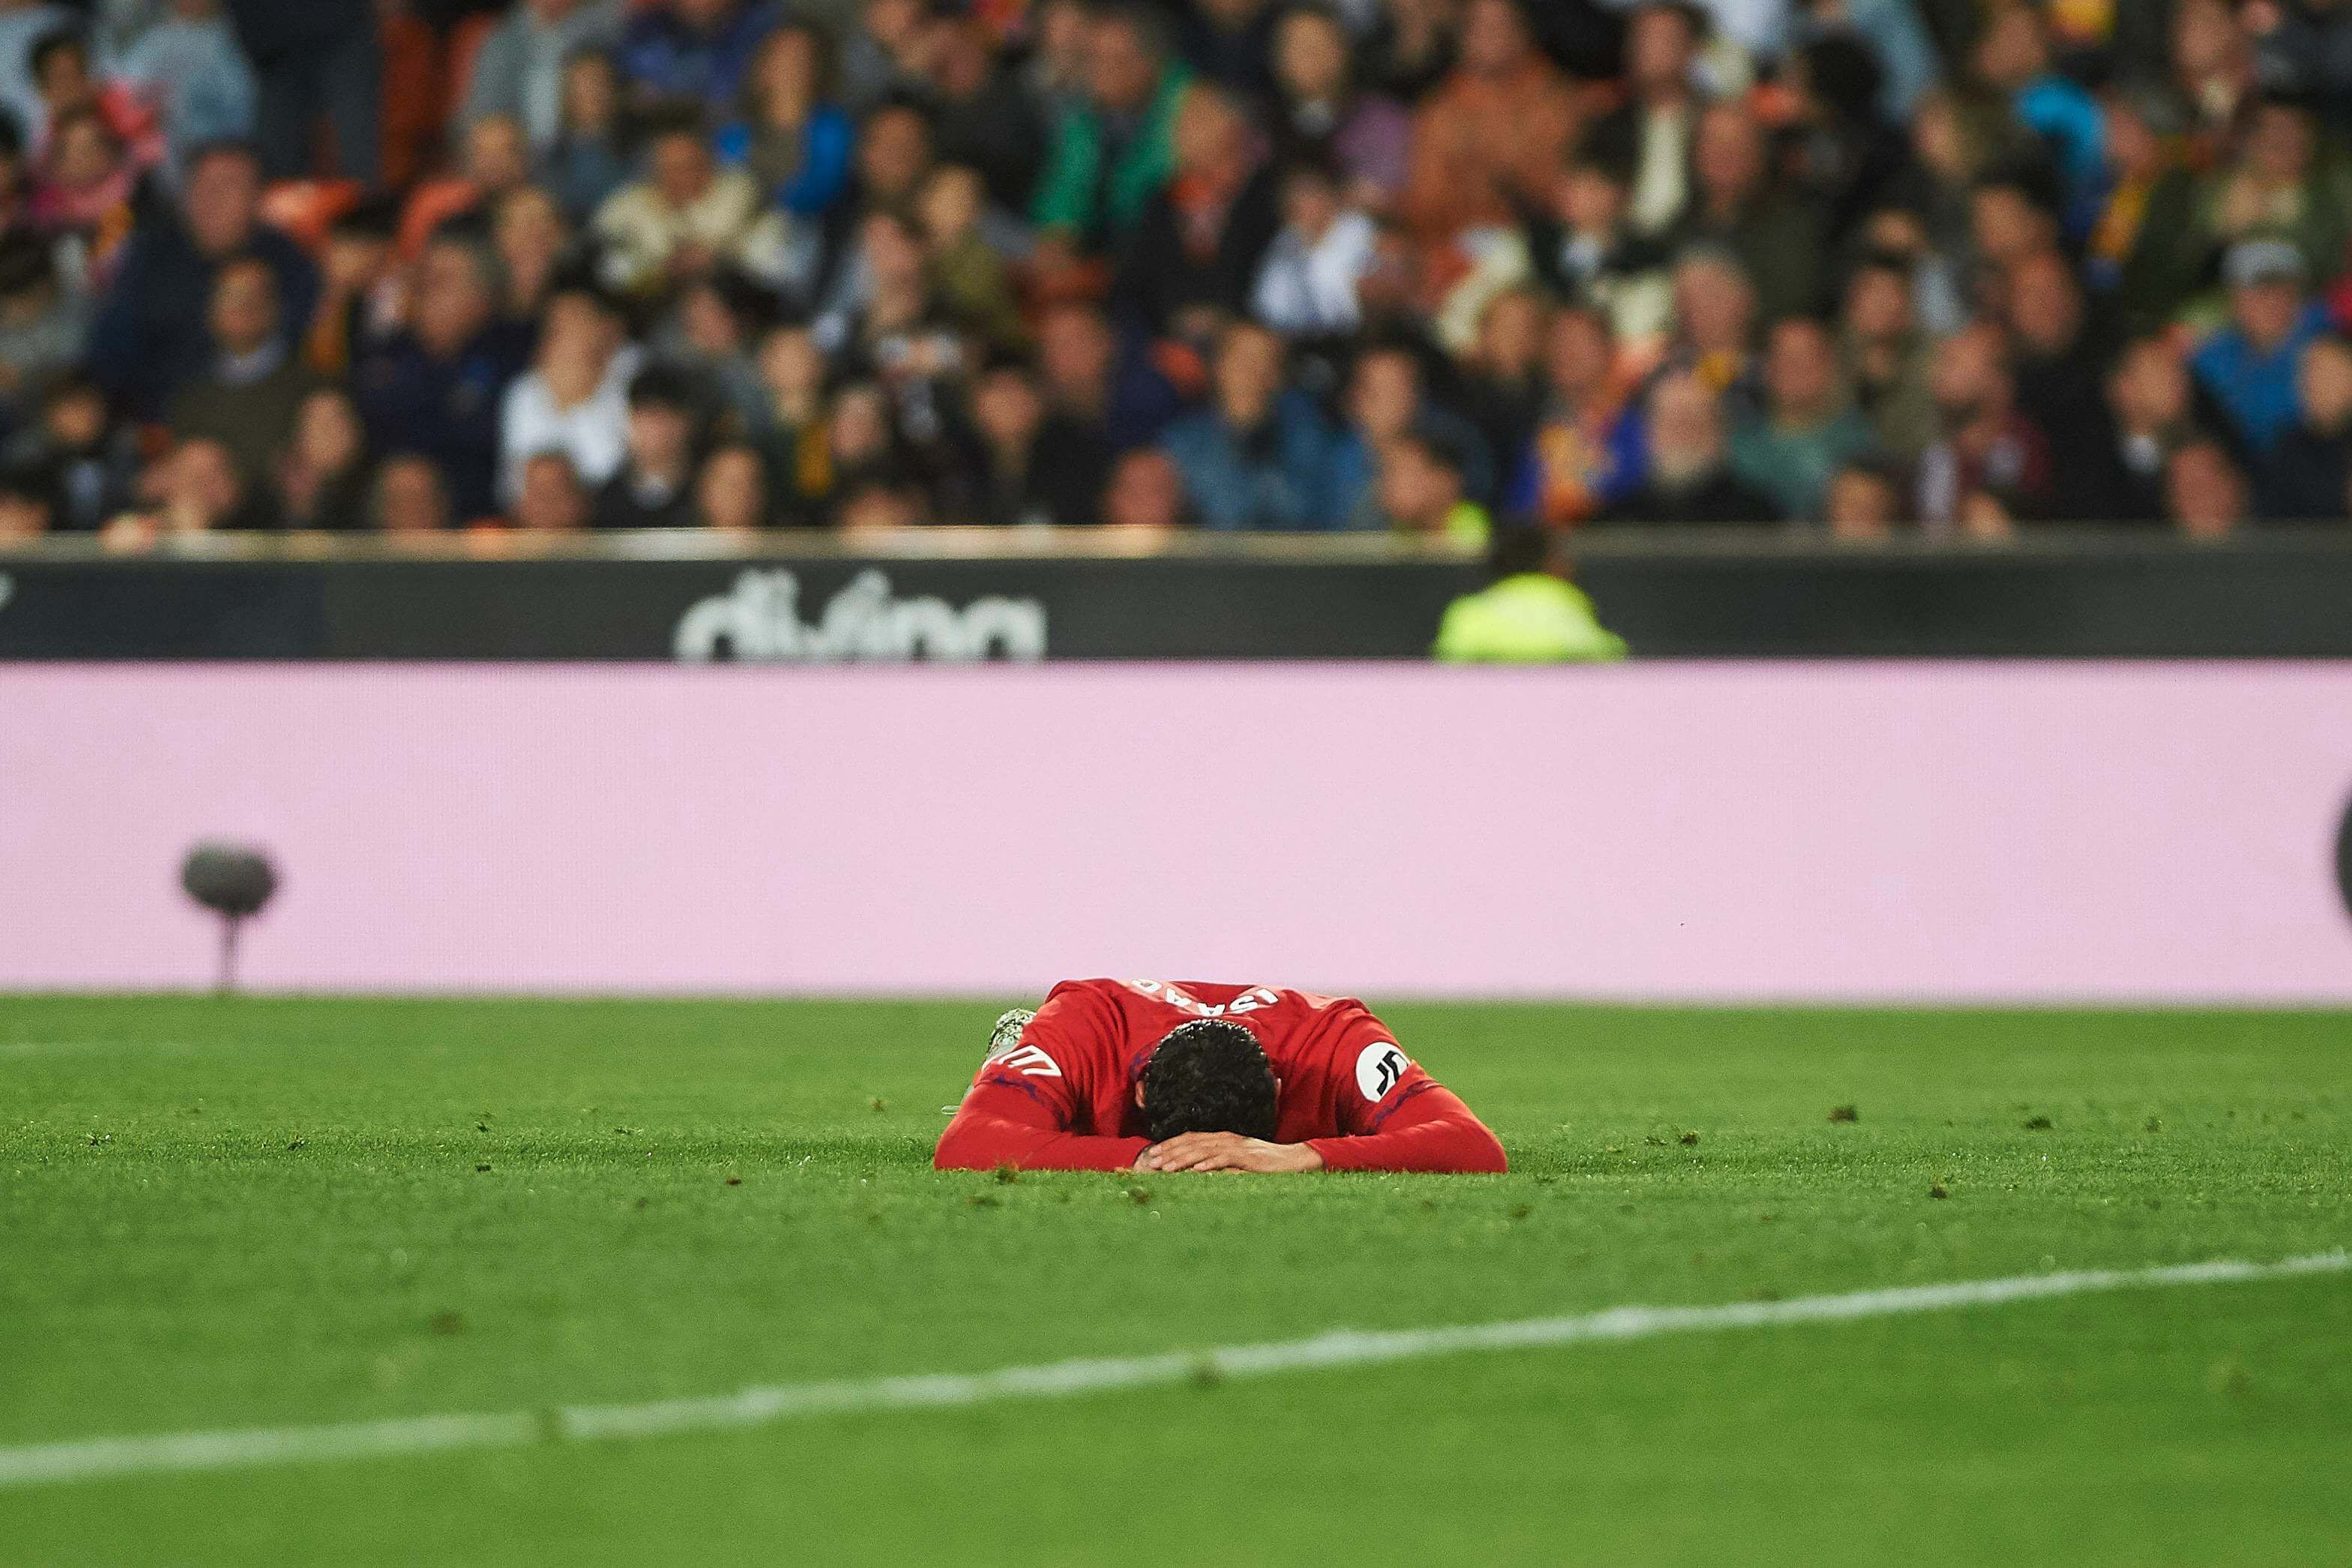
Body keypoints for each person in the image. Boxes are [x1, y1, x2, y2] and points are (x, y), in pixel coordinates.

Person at [933, 979, 1507, 1174]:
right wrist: (1138, 1158)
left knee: (1043, 1127)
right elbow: (964, 1144)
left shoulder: (1336, 1039)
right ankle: (1007, 1060)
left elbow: (1477, 1147)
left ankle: (1014, 1086)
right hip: (1090, 1028)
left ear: (1282, 1088)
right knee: (1005, 1111)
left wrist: (1304, 1154)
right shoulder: (1086, 1023)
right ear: (1139, 1090)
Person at [1432, 525, 1627, 663]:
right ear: (1551, 564)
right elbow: (1606, 656)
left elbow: (1448, 662)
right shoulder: (1569, 607)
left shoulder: (1467, 613)